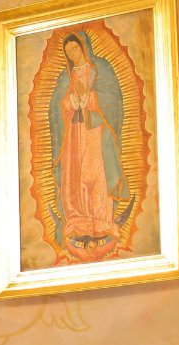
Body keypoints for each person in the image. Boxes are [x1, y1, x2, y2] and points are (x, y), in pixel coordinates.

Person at [50, 31, 127, 263]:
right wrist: (68, 103)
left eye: (75, 48)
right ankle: (78, 218)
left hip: (95, 132)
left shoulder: (100, 69)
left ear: (84, 47)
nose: (72, 54)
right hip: (74, 134)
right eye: (68, 52)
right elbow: (55, 108)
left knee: (96, 171)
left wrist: (92, 100)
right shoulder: (66, 78)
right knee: (75, 175)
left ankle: (101, 220)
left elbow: (113, 98)